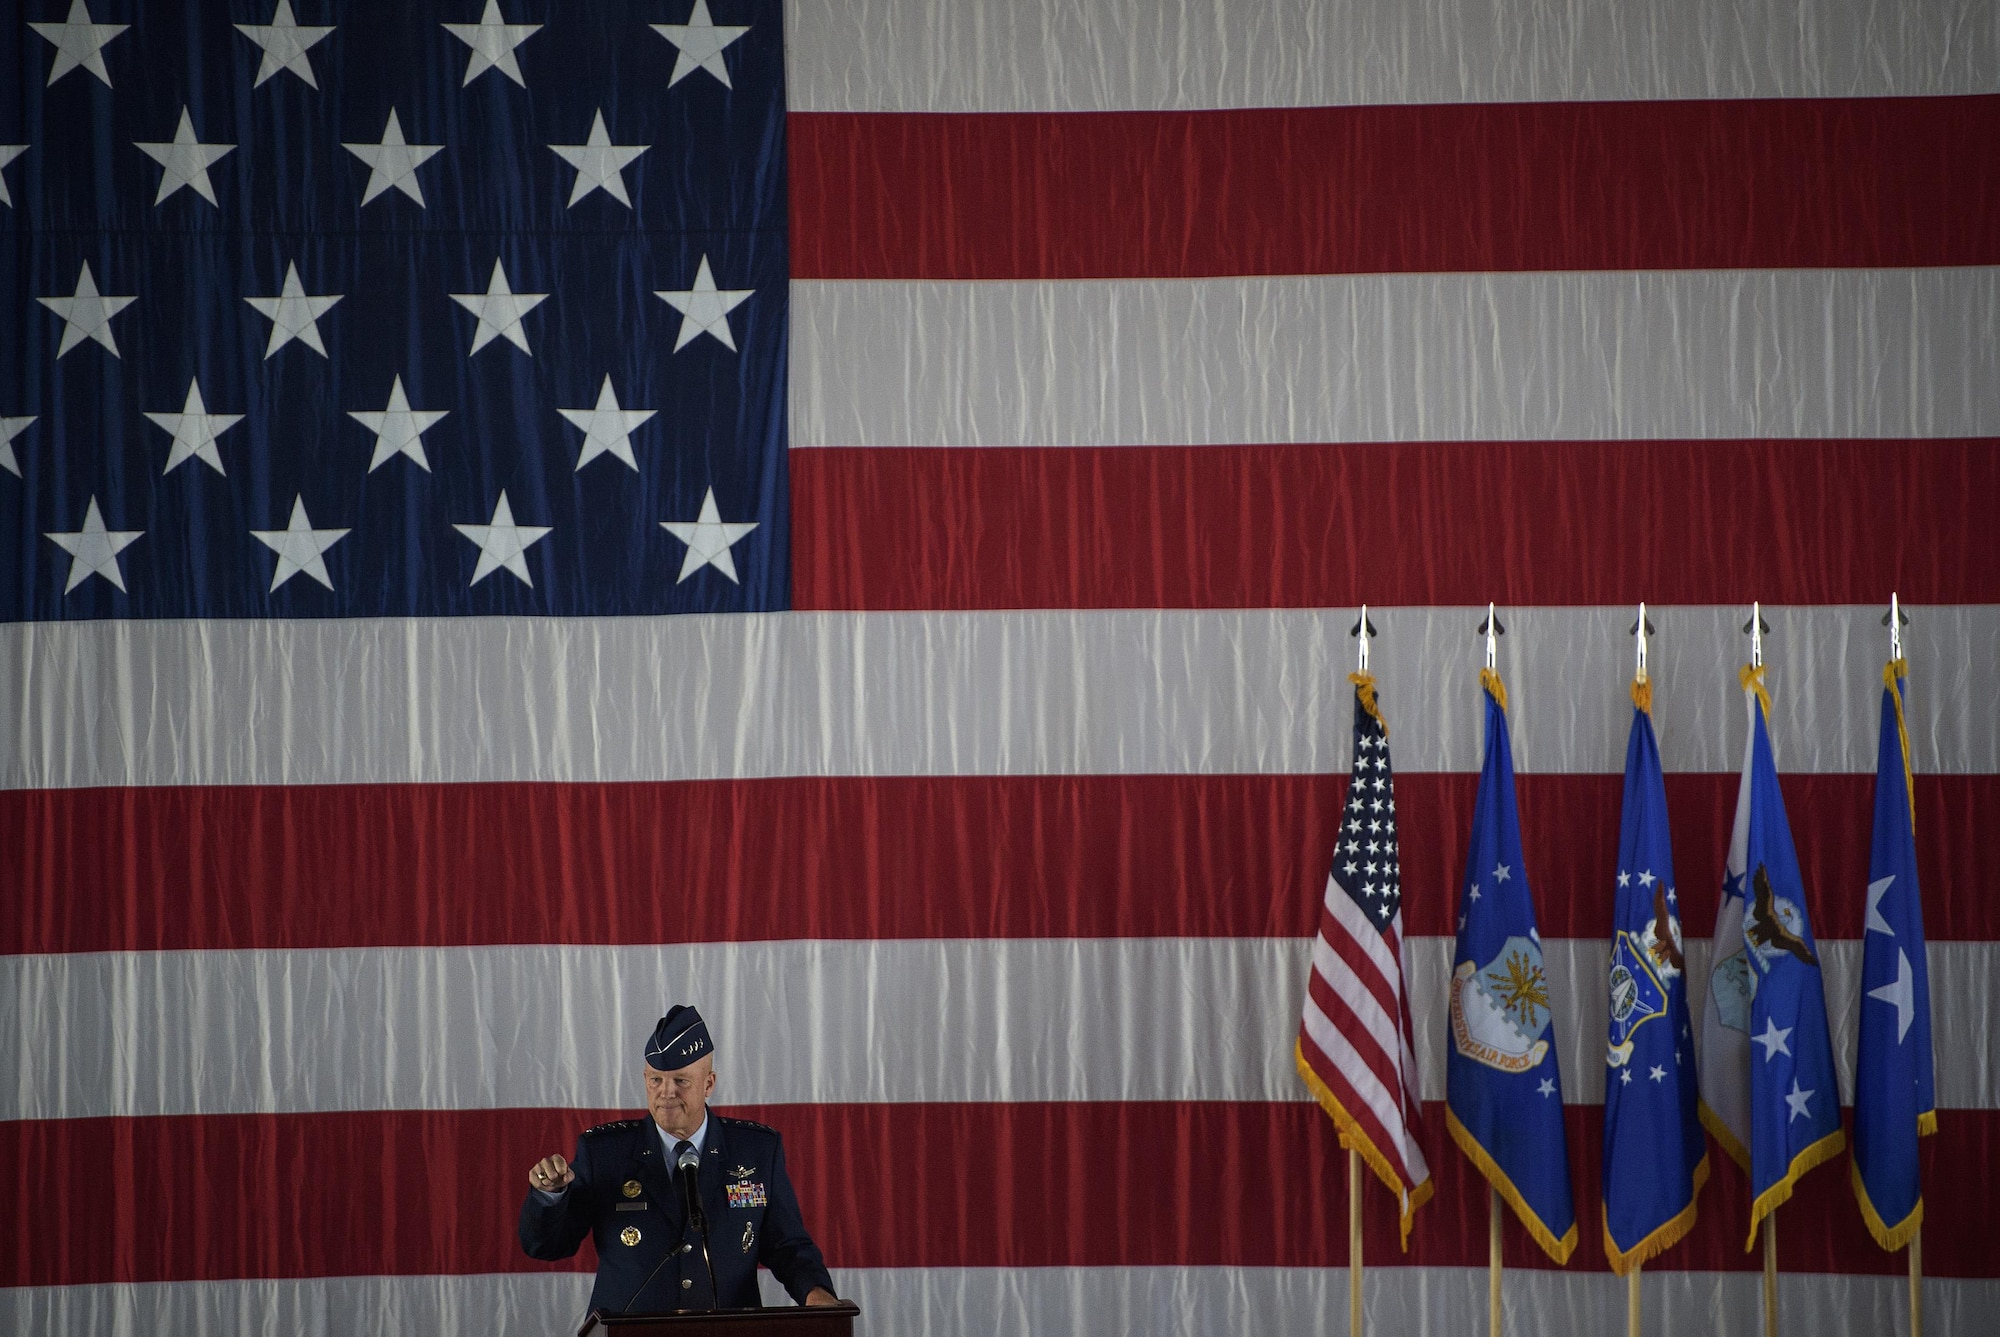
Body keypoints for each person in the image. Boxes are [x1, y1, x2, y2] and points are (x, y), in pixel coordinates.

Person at [520, 1006, 838, 1313]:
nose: (666, 1092)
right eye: (656, 1080)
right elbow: (547, 1247)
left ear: (708, 1084)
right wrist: (550, 1196)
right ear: (645, 1079)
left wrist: (816, 1293)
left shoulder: (754, 1150)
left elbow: (788, 1247)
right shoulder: (606, 1153)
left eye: (681, 1081)